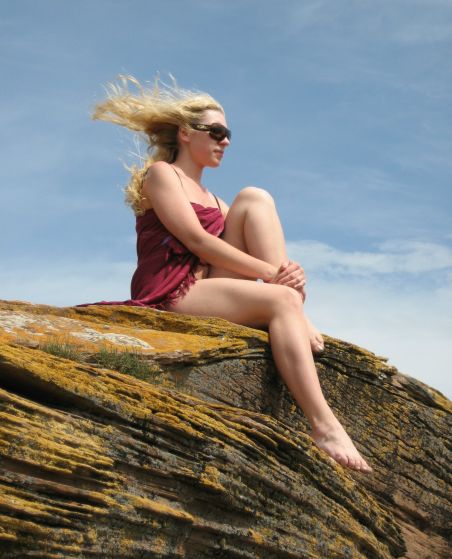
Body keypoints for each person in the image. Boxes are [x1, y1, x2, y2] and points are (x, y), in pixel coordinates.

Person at [82, 75, 372, 473]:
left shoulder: (218, 202)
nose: (226, 141)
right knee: (281, 296)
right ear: (186, 133)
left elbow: (232, 246)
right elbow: (197, 241)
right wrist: (272, 275)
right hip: (174, 292)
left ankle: (295, 308)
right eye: (216, 132)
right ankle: (325, 427)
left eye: (228, 134)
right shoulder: (162, 175)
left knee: (255, 197)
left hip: (210, 287)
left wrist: (284, 278)